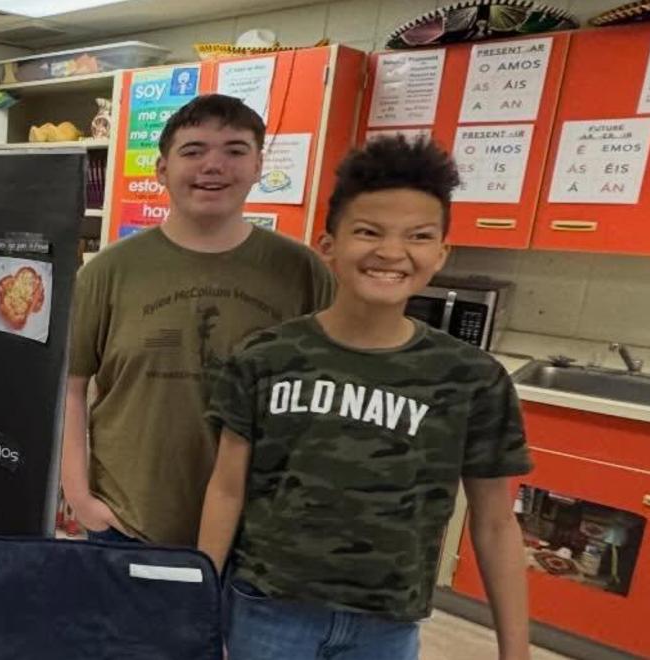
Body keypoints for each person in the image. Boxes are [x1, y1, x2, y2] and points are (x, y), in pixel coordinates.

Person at [198, 136, 531, 659]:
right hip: (268, 608)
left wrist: (516, 649)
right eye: (369, 232)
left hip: (387, 624)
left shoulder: (473, 378)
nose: (391, 252)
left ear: (441, 252)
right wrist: (198, 605)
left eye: (418, 236)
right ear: (328, 245)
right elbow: (225, 490)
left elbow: (494, 522)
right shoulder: (265, 357)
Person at [61, 94, 332, 547]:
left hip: (258, 532)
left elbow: (326, 394)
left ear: (259, 165)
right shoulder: (108, 271)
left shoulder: (303, 273)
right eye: (194, 151)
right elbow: (70, 389)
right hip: (129, 523)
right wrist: (79, 495)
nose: (214, 165)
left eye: (234, 150)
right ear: (162, 169)